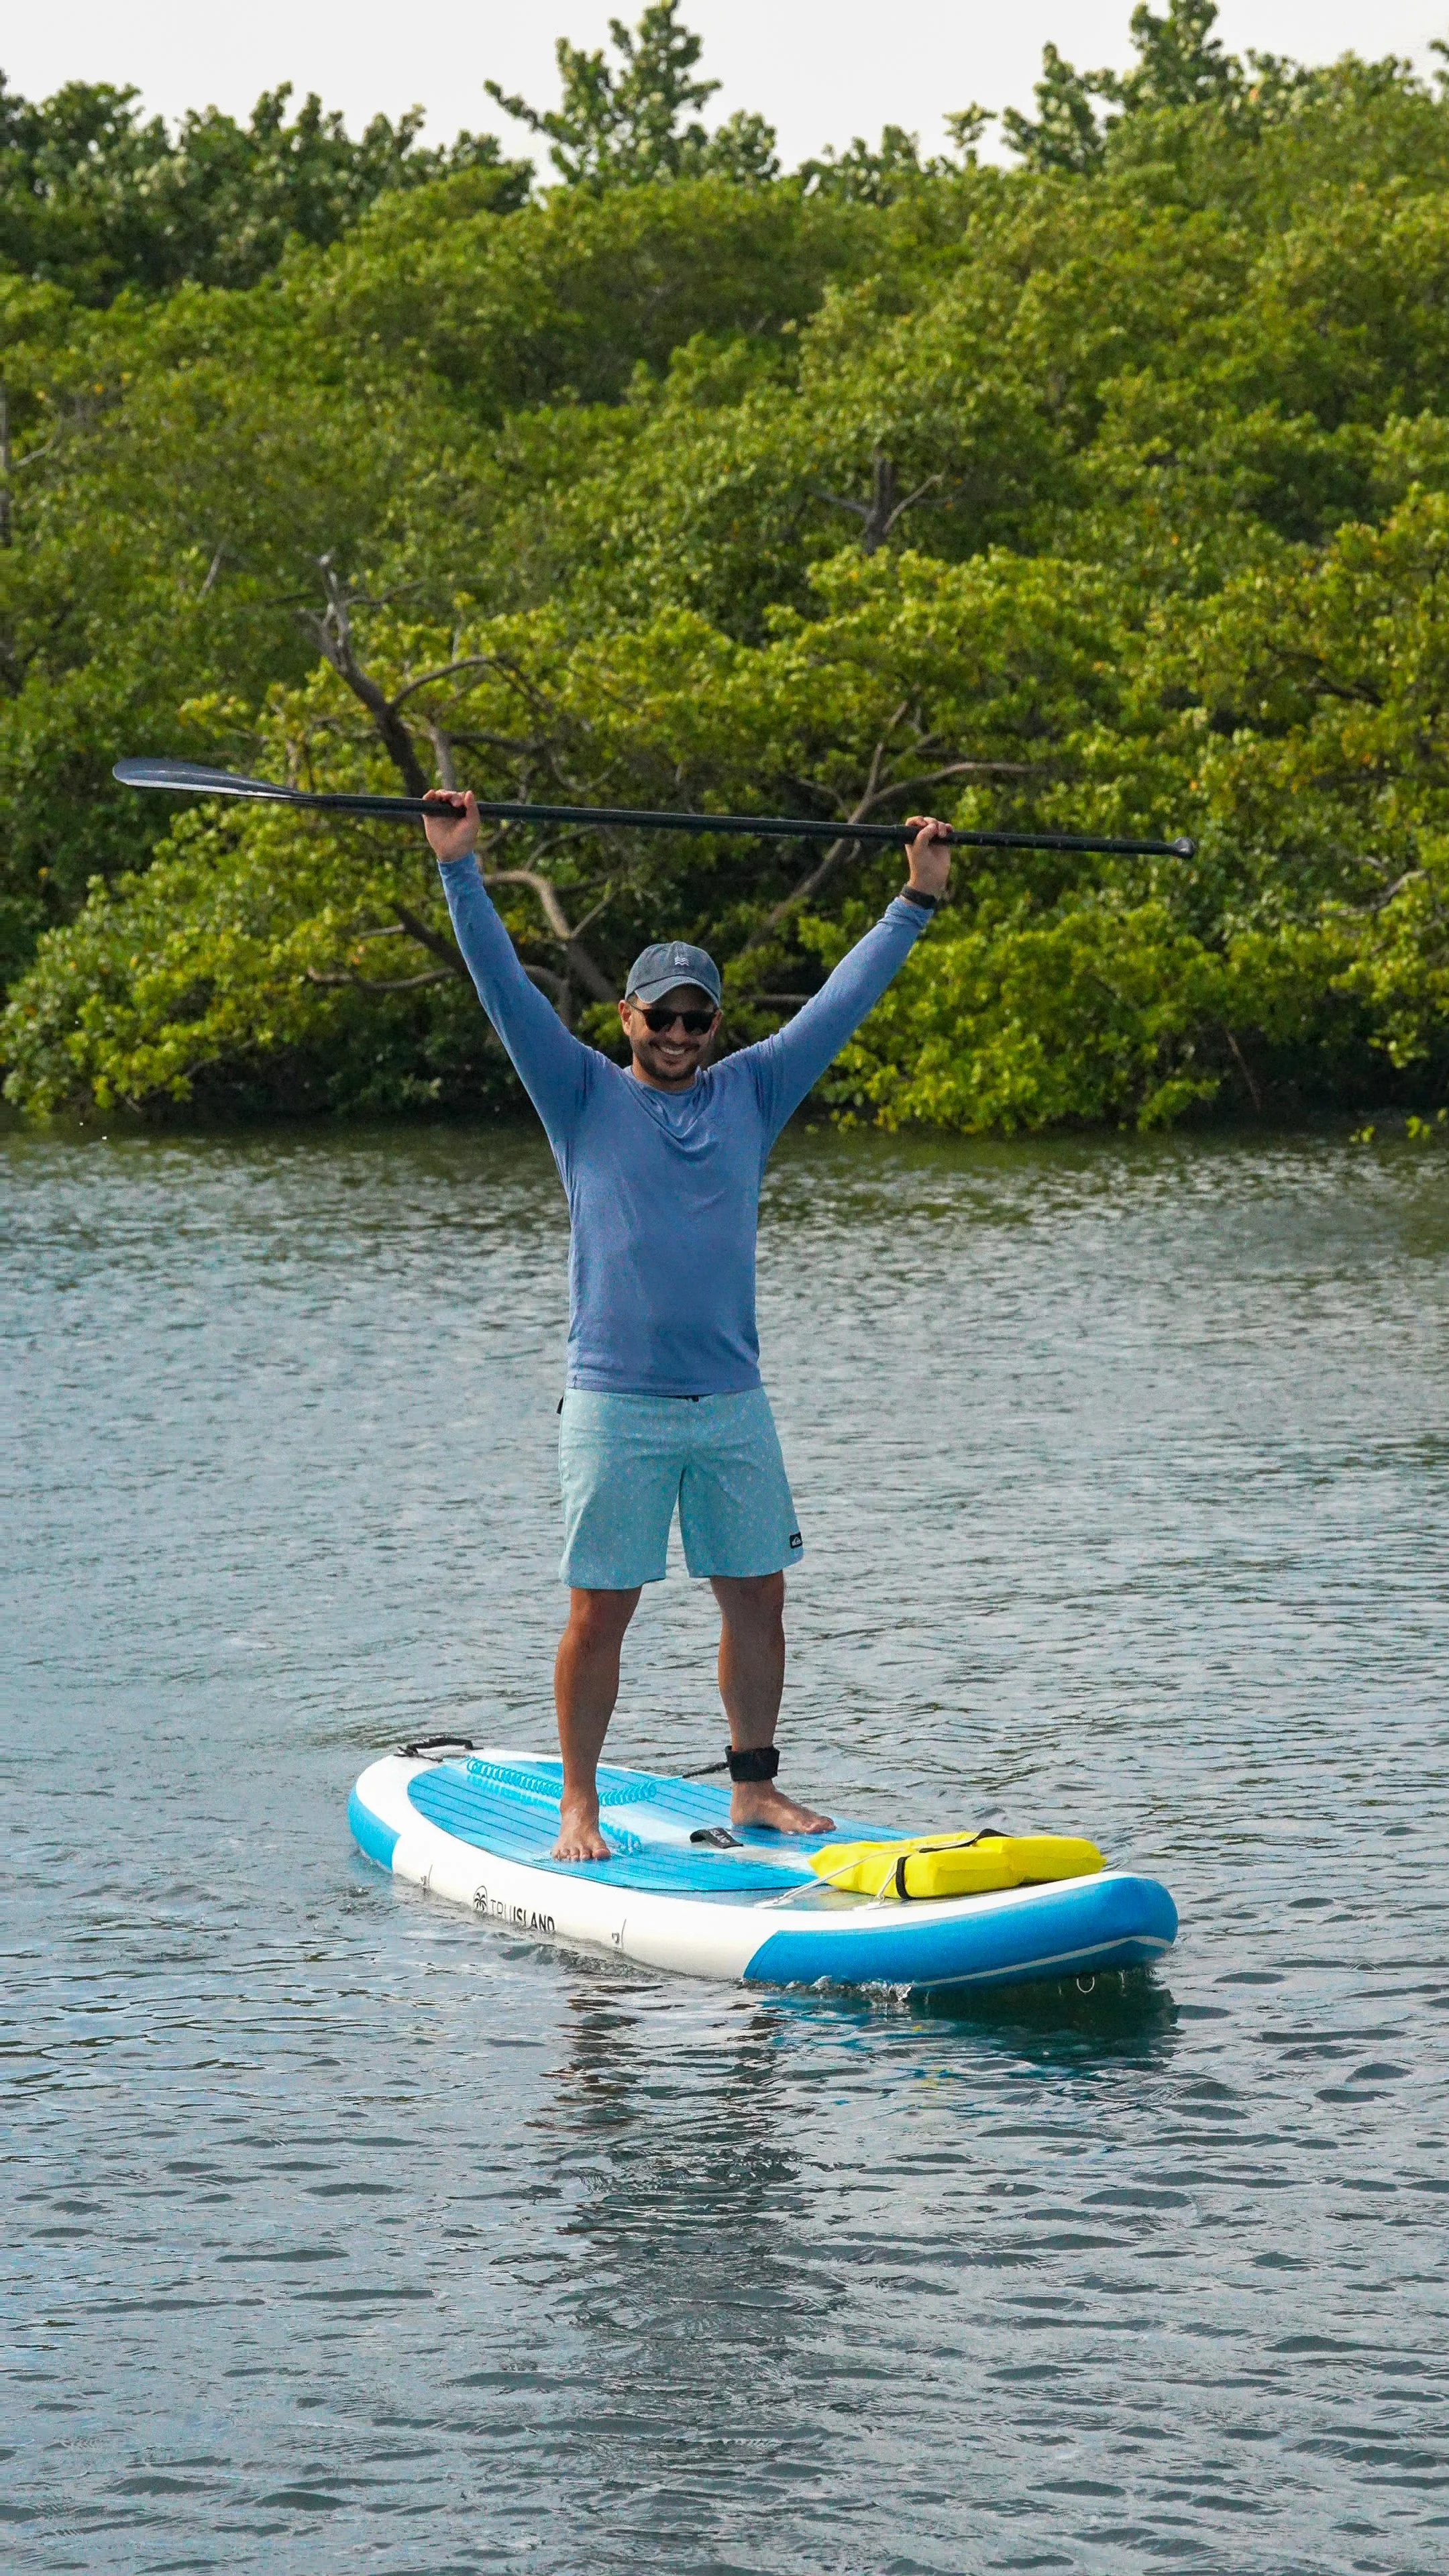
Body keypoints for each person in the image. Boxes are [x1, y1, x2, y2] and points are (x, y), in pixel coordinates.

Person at [424, 792, 952, 1860]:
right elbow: (501, 987)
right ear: (626, 1017)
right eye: (658, 1017)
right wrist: (459, 868)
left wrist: (916, 900)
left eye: (693, 1019)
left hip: (732, 1404)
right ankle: (579, 1805)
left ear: (715, 1026)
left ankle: (754, 1789)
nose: (675, 1034)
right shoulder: (575, 1092)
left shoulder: (754, 1092)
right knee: (600, 1612)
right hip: (616, 1403)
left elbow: (842, 1004)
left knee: (760, 1600)